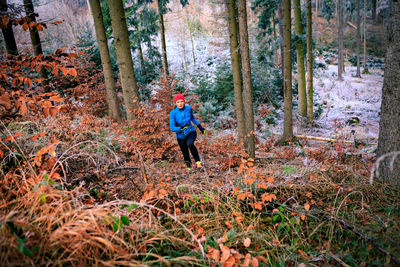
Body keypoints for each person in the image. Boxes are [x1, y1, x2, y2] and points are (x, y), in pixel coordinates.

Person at [169, 92, 206, 171]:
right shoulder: (173, 113)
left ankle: (198, 162)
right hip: (180, 136)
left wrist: (200, 127)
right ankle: (189, 167)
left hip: (190, 131)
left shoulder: (188, 109)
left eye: (181, 101)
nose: (180, 103)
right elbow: (172, 128)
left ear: (184, 101)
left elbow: (193, 118)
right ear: (175, 103)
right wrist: (180, 128)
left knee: (190, 144)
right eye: (178, 102)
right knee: (185, 151)